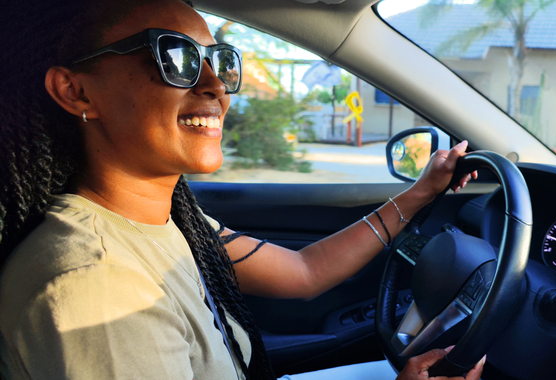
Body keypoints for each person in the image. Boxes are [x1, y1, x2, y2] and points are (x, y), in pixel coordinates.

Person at [0, 0, 482, 379]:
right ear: (76, 91)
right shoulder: (96, 286)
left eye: (220, 61)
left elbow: (305, 271)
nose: (215, 84)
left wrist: (422, 191)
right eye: (175, 56)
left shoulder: (170, 224)